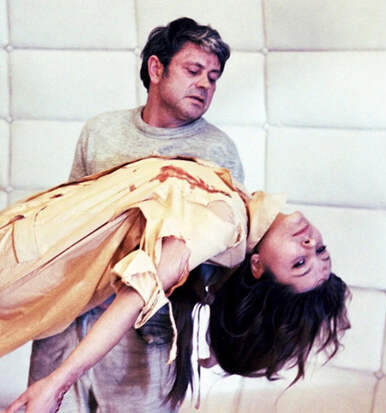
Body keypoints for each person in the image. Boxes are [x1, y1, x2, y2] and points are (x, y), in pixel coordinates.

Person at [0, 156, 350, 413]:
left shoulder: (224, 221)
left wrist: (56, 382)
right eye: (320, 252)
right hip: (32, 255)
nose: (310, 244)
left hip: (23, 260)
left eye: (299, 263)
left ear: (259, 268)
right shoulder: (237, 213)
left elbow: (138, 294)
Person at [29, 17, 244, 413]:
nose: (205, 84)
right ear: (156, 69)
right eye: (194, 70)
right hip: (67, 320)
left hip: (148, 335)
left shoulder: (218, 151)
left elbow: (228, 256)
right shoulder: (101, 131)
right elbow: (63, 224)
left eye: (213, 78)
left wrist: (219, 335)